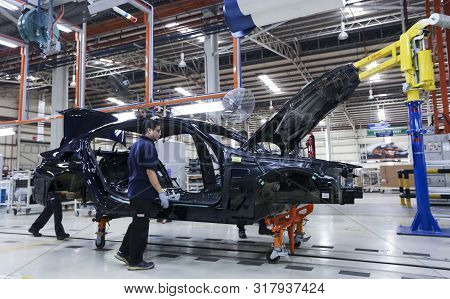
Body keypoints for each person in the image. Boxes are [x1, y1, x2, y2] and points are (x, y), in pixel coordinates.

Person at [115, 118, 171, 271]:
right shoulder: (148, 146)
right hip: (142, 193)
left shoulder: (136, 145)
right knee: (141, 228)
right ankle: (135, 262)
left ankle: (123, 252)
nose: (160, 133)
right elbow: (150, 171)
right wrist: (161, 192)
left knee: (136, 224)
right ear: (149, 131)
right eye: (158, 131)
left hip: (135, 191)